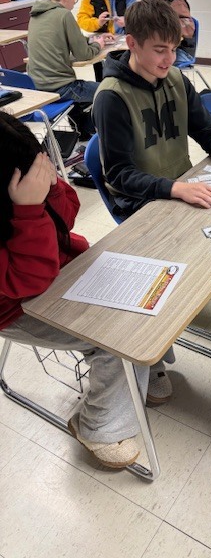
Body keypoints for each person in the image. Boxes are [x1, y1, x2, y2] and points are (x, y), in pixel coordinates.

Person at [0, 111, 173, 469]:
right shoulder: (18, 202)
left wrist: (49, 187)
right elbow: (28, 280)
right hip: (16, 305)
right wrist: (29, 211)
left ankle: (146, 366)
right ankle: (97, 427)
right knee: (111, 341)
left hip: (60, 268)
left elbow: (70, 215)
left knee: (149, 285)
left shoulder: (24, 172)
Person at [92, 0, 211, 220]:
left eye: (174, 48)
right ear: (132, 43)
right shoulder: (112, 97)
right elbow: (119, 174)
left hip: (180, 182)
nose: (170, 59)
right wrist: (176, 189)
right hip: (140, 200)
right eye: (160, 50)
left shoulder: (176, 79)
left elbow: (207, 129)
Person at [27, 0, 108, 139]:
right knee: (108, 91)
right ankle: (93, 129)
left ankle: (84, 130)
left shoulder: (35, 15)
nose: (74, 2)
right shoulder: (64, 15)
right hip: (61, 87)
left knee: (84, 91)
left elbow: (66, 42)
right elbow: (84, 54)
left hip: (37, 85)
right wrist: (98, 44)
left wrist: (92, 39)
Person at [144, 0, 196, 66]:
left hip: (182, 51)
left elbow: (189, 28)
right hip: (166, 47)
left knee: (149, 62)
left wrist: (164, 26)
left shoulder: (177, 2)